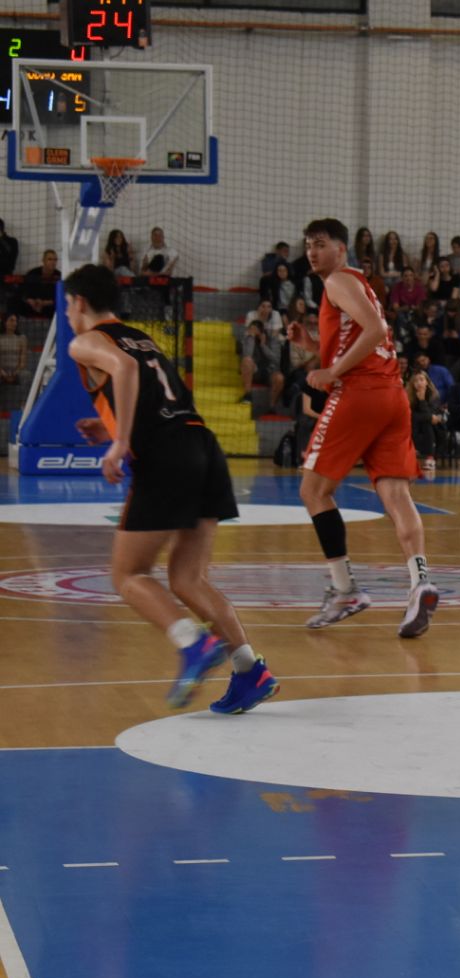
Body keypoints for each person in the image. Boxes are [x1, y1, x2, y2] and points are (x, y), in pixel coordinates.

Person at [62, 264, 277, 715]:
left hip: (166, 456)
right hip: (202, 445)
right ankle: (250, 671)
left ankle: (192, 643)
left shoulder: (85, 342)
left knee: (129, 575)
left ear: (79, 302)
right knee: (188, 578)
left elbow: (123, 370)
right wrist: (110, 427)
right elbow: (156, 395)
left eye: (66, 305)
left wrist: (120, 441)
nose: (66, 314)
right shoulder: (142, 337)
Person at [291, 218, 438, 638]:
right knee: (396, 494)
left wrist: (332, 371)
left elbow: (375, 330)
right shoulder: (355, 284)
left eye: (320, 244)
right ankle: (420, 582)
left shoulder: (338, 280)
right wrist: (311, 345)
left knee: (313, 491)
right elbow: (361, 336)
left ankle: (344, 590)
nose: (312, 251)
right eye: (308, 245)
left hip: (360, 394)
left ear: (341, 249)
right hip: (392, 397)